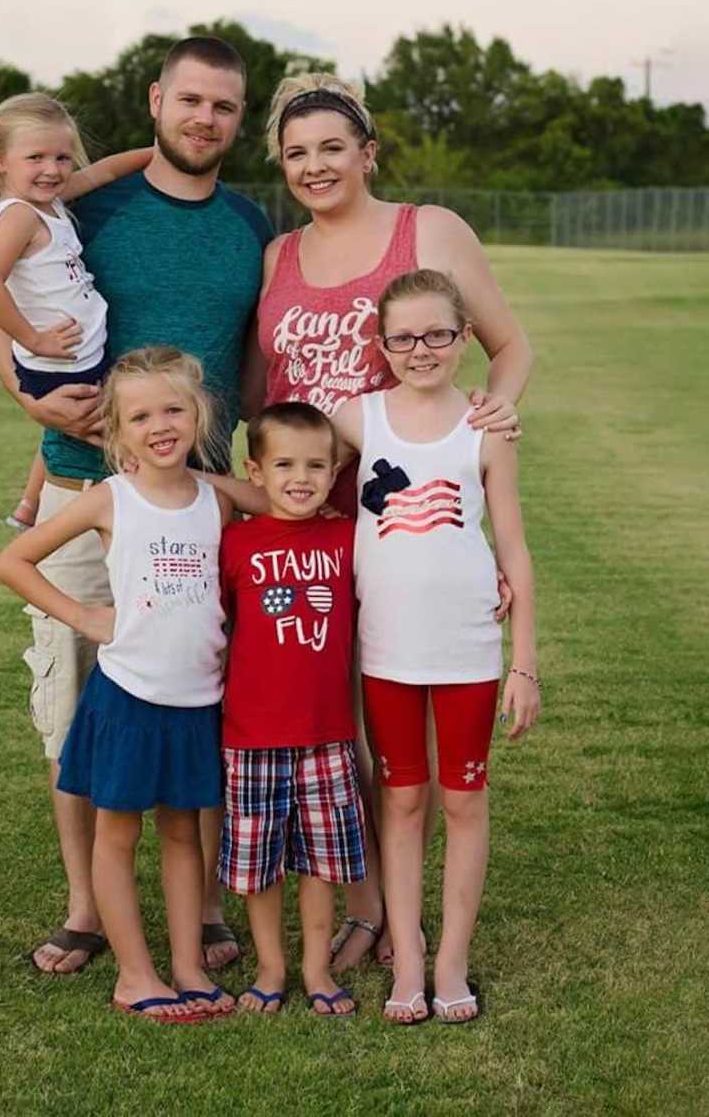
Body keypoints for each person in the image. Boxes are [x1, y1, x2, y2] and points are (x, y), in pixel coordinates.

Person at [0, 38, 273, 973]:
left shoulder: (247, 224)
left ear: (239, 119)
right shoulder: (85, 206)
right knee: (77, 706)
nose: (205, 118)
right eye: (190, 99)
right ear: (156, 100)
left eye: (224, 107)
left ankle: (203, 912)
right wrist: (29, 397)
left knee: (201, 700)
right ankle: (84, 908)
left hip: (202, 508)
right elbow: (9, 315)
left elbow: (255, 366)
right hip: (85, 487)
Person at [242, 73, 533, 970]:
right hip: (300, 519)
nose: (316, 167)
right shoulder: (279, 255)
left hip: (396, 520)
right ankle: (367, 901)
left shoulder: (428, 232)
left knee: (389, 721)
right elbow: (264, 389)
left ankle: (386, 917)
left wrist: (492, 415)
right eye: (296, 154)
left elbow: (507, 344)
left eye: (334, 148)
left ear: (368, 153)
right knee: (333, 723)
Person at [0, 347, 236, 1022]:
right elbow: (13, 559)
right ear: (116, 432)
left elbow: (282, 497)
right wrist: (80, 615)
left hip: (195, 702)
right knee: (118, 835)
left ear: (199, 414)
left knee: (184, 834)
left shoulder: (216, 499)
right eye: (140, 417)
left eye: (173, 409)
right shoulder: (111, 498)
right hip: (128, 697)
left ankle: (186, 965)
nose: (160, 425)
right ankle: (135, 973)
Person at [332, 268, 540, 1023]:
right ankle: (408, 956)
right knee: (404, 798)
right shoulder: (358, 418)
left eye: (438, 335)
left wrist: (524, 660)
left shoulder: (485, 425)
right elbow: (279, 456)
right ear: (382, 343)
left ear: (464, 339)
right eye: (404, 337)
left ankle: (451, 958)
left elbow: (512, 548)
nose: (421, 350)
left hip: (468, 649)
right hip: (386, 647)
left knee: (463, 799)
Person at [218, 402, 365, 1017]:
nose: (300, 478)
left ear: (335, 474)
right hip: (250, 735)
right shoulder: (233, 544)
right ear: (256, 471)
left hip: (326, 735)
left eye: (315, 466)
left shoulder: (347, 538)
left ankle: (315, 969)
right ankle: (272, 968)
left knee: (320, 862)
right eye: (284, 464)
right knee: (260, 866)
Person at [0, 92, 151, 530]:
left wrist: (160, 153)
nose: (53, 169)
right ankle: (53, 507)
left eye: (63, 157)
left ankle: (28, 505)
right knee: (115, 429)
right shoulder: (20, 216)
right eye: (36, 157)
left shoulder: (50, 201)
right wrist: (34, 339)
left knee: (97, 426)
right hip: (63, 362)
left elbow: (103, 171)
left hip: (81, 354)